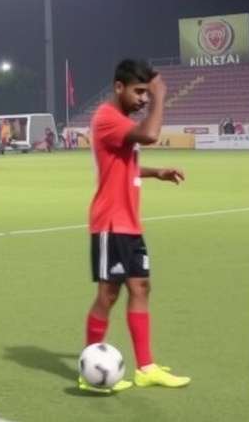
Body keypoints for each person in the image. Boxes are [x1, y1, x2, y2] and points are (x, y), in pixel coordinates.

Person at [81, 59, 191, 393]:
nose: (144, 98)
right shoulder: (106, 117)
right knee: (108, 294)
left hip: (129, 223)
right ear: (119, 87)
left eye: (147, 91)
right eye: (139, 91)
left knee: (141, 288)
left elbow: (123, 165)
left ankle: (146, 368)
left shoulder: (122, 121)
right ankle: (88, 373)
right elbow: (151, 134)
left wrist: (155, 172)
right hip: (110, 223)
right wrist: (161, 95)